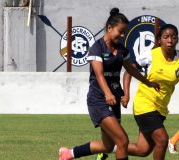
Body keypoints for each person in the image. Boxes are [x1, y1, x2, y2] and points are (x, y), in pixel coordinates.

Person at [58, 8, 159, 160]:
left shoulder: (121, 50)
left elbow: (130, 69)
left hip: (114, 99)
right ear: (109, 28)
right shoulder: (97, 47)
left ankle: (69, 154)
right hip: (98, 100)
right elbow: (98, 74)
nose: (123, 35)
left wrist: (148, 82)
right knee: (122, 140)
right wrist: (107, 93)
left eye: (125, 32)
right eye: (120, 31)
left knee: (107, 146)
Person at [119, 24, 179, 160]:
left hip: (160, 108)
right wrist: (126, 94)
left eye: (173, 37)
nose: (170, 40)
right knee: (162, 140)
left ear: (177, 40)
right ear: (159, 40)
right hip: (144, 104)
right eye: (166, 37)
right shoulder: (150, 55)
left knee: (143, 150)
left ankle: (110, 147)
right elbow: (128, 72)